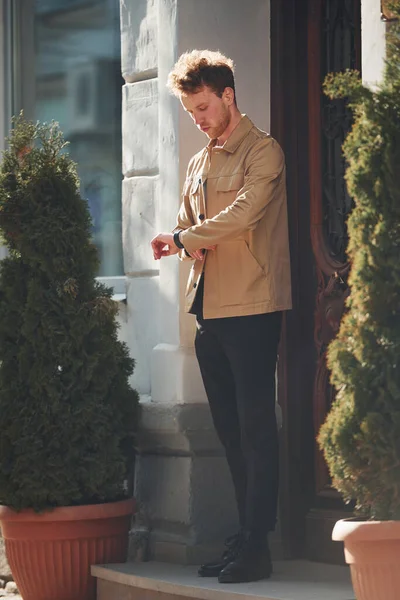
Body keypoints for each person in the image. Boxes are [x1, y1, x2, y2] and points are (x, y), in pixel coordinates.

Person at [151, 50, 292, 584]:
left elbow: (242, 214)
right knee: (231, 433)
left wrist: (186, 238)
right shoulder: (199, 161)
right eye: (191, 112)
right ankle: (244, 538)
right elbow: (191, 223)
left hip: (254, 307)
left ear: (228, 95)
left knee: (257, 430)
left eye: (204, 108)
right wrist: (185, 241)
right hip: (209, 310)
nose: (199, 119)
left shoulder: (265, 152)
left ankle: (259, 545)